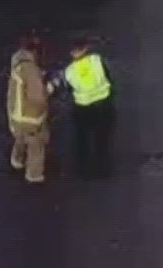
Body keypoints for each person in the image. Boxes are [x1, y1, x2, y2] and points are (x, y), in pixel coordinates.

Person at [59, 38, 117, 178]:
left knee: (82, 139)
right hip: (103, 104)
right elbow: (109, 76)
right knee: (102, 139)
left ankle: (84, 169)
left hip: (83, 108)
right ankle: (101, 168)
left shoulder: (69, 71)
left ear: (72, 53)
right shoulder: (97, 60)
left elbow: (68, 89)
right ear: (85, 49)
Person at [6, 36, 51, 184]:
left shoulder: (18, 66)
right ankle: (34, 174)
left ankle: (17, 159)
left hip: (15, 115)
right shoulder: (31, 69)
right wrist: (49, 89)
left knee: (20, 137)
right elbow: (37, 96)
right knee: (36, 144)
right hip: (30, 118)